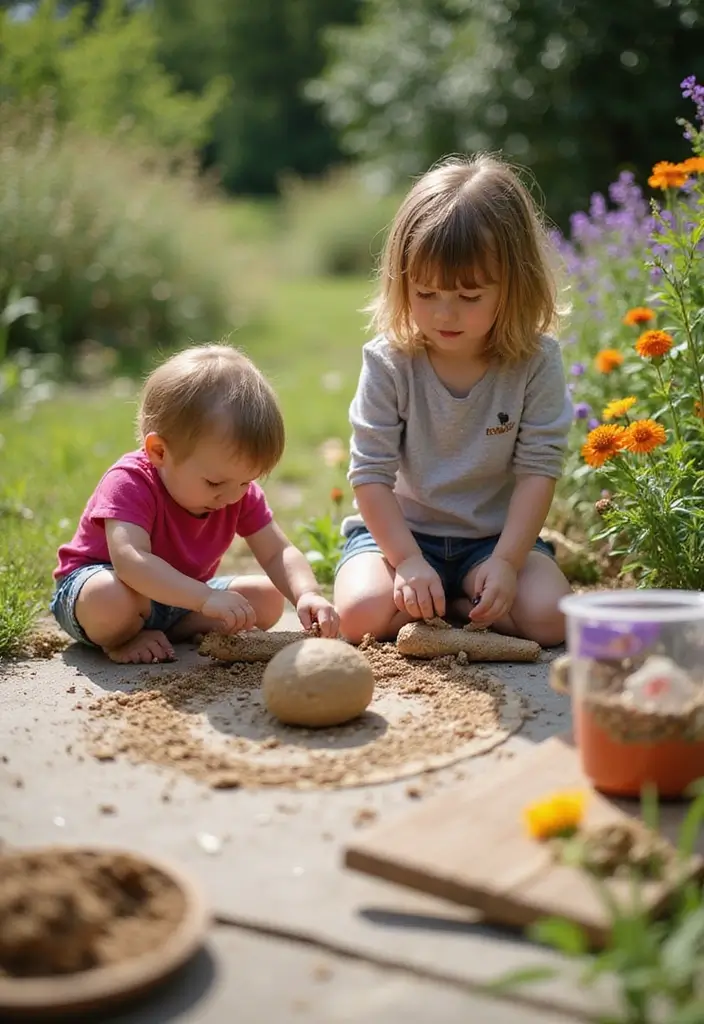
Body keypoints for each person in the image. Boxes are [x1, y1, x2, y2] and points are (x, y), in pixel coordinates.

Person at [334, 154, 572, 647]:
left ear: (514, 285)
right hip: (399, 536)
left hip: (493, 542)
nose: (445, 313)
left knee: (552, 619)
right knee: (359, 616)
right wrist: (407, 561)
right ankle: (445, 602)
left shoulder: (536, 361)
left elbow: (538, 470)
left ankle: (453, 607)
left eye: (469, 297)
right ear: (401, 280)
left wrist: (507, 563)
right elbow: (370, 475)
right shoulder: (389, 362)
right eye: (426, 293)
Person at [51, 345, 339, 664]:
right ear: (159, 452)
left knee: (267, 600)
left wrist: (307, 593)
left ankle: (172, 631)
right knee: (108, 599)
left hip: (183, 597)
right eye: (215, 483)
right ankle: (121, 640)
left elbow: (277, 552)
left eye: (246, 481)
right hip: (107, 587)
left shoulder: (236, 491)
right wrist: (206, 598)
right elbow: (131, 561)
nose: (233, 496)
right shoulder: (130, 482)